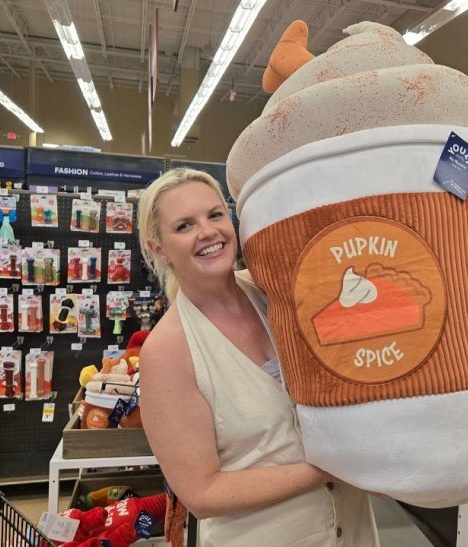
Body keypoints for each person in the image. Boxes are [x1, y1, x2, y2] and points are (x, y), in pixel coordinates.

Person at [137, 168, 379, 546]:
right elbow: (202, 492)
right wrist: (327, 469)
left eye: (215, 215)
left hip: (355, 531)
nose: (207, 232)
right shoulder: (168, 351)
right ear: (159, 249)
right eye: (184, 226)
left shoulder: (275, 292)